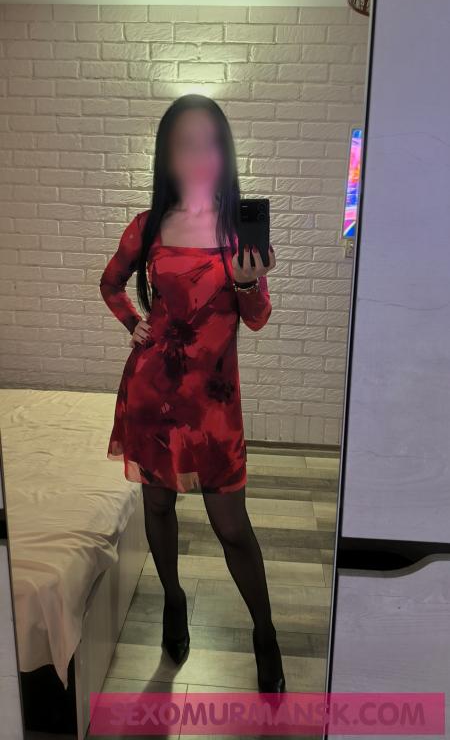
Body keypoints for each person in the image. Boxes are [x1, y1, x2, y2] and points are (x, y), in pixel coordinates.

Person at [99, 94, 285, 693]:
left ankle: (265, 632)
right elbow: (110, 284)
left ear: (223, 151)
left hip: (215, 405)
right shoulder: (148, 225)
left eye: (208, 142)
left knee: (232, 526)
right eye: (184, 143)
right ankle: (174, 600)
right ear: (167, 154)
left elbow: (257, 319)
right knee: (157, 507)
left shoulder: (236, 230)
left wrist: (249, 284)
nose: (197, 154)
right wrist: (134, 323)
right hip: (154, 393)